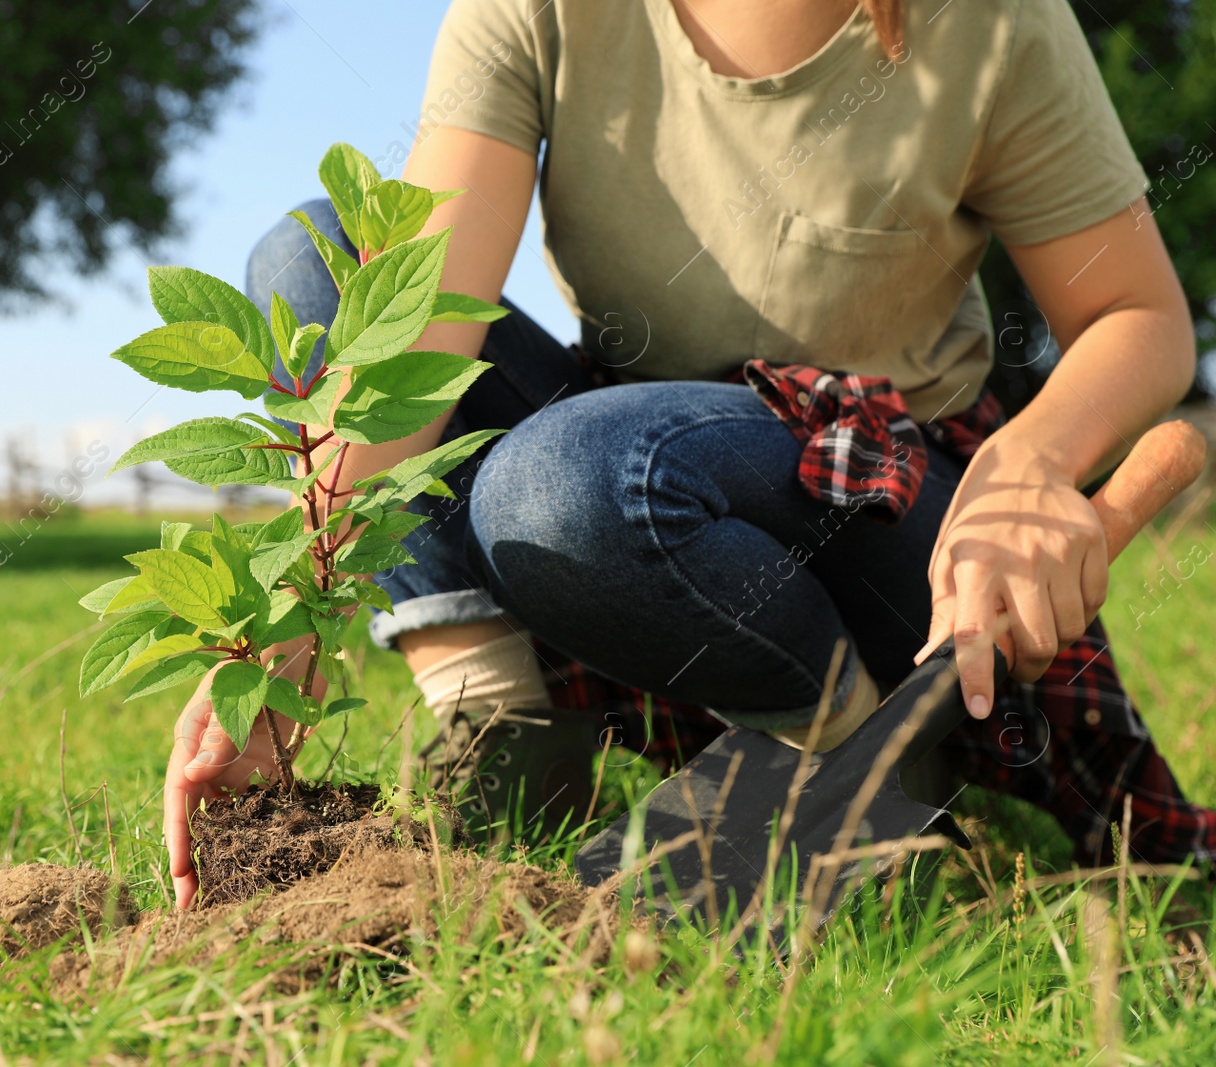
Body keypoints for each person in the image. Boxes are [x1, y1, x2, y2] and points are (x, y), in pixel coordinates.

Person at [161, 0, 1202, 909]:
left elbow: (1136, 314)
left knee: (557, 480)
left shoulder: (989, 19)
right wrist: (297, 604)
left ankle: (859, 764)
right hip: (627, 475)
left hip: (882, 518)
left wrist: (1028, 465)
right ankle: (511, 736)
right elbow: (421, 312)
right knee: (321, 259)